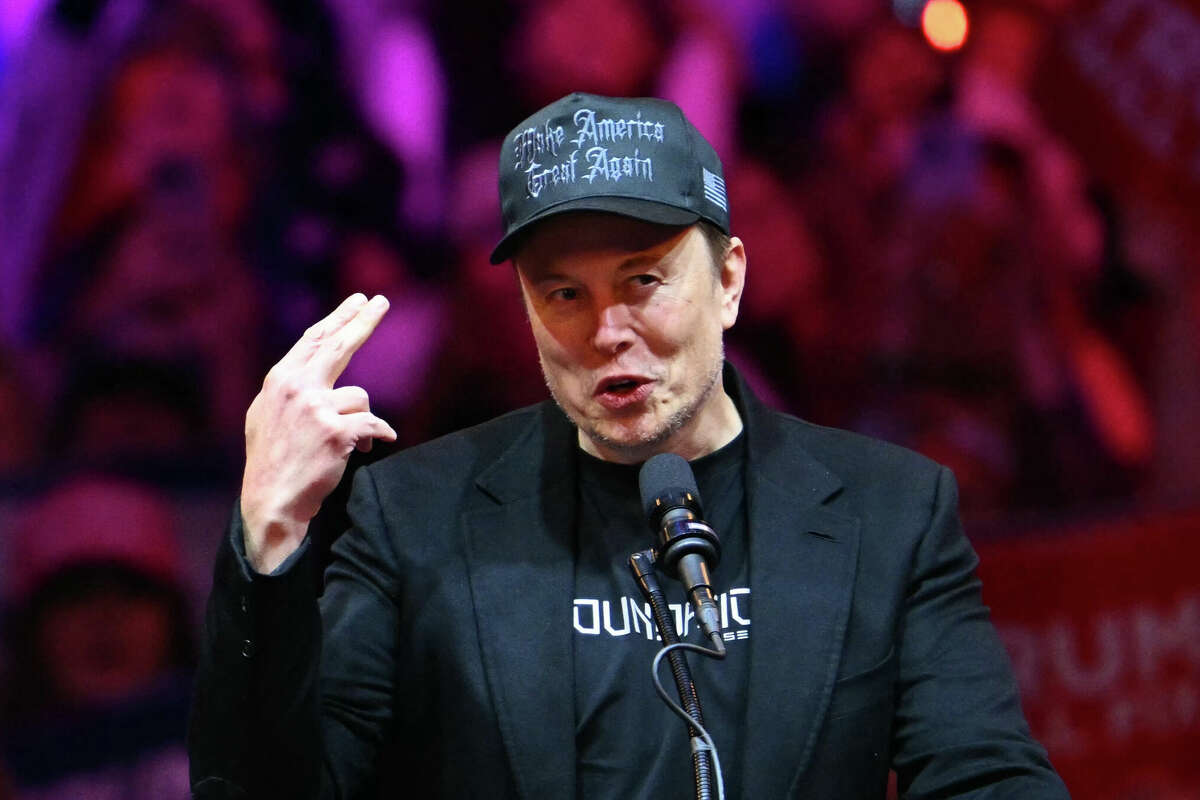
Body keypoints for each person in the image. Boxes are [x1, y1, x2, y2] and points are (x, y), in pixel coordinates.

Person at [188, 93, 1069, 798]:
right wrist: (267, 543)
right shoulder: (413, 517)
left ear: (728, 281)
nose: (608, 330)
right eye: (563, 294)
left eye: (644, 280)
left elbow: (983, 774)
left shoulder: (892, 512)